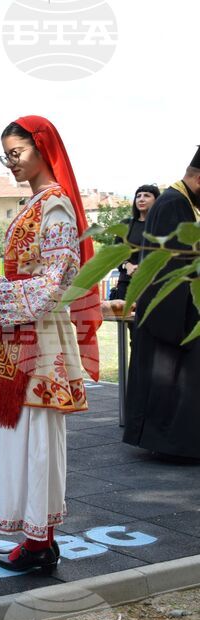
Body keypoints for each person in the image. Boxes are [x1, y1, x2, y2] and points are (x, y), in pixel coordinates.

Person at [0, 116, 101, 572]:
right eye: (6, 155)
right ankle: (36, 538)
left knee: (37, 438)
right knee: (24, 437)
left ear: (42, 147)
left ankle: (40, 543)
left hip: (40, 338)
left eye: (17, 153)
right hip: (24, 332)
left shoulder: (55, 206)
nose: (11, 164)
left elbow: (54, 281)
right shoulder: (40, 204)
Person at [122, 148, 200, 460]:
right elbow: (175, 267)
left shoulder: (178, 201)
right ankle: (175, 446)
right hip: (172, 312)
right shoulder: (173, 205)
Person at [109, 184, 160, 302]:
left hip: (153, 284)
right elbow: (115, 255)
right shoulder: (125, 225)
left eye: (147, 195)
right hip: (127, 284)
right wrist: (128, 265)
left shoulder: (163, 226)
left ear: (157, 200)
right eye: (138, 196)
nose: (141, 199)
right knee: (126, 319)